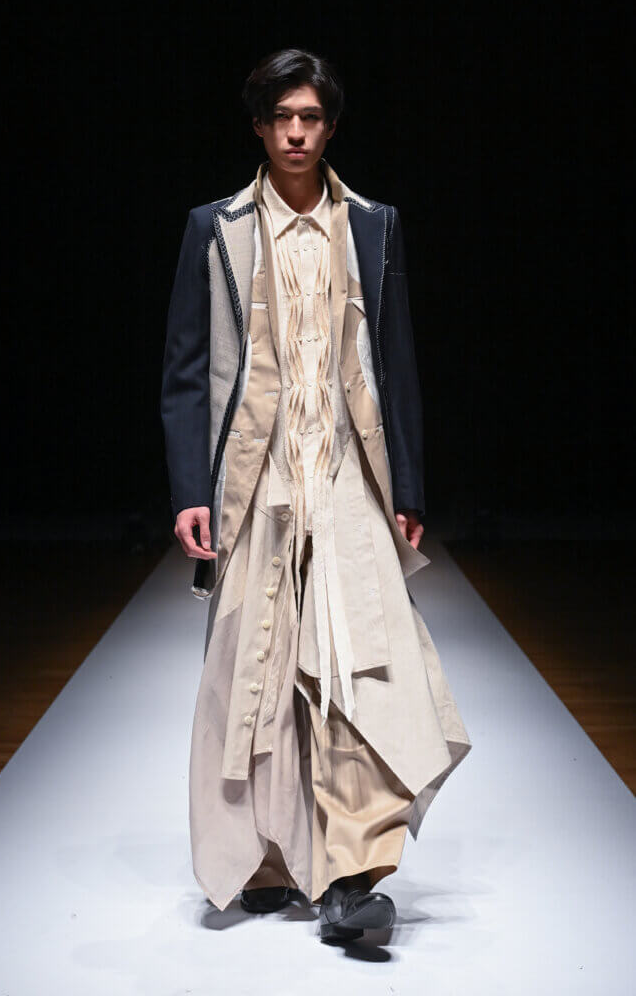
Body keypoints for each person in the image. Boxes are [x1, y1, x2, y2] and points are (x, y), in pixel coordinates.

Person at [161, 47, 471, 944]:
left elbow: (395, 364)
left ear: (330, 127)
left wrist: (407, 484)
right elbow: (186, 371)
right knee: (253, 666)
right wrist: (190, 489)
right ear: (259, 127)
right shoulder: (214, 228)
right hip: (255, 479)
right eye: (281, 117)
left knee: (360, 663)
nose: (296, 133)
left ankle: (351, 874)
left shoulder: (373, 224)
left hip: (343, 471)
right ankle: (266, 859)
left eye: (310, 117)